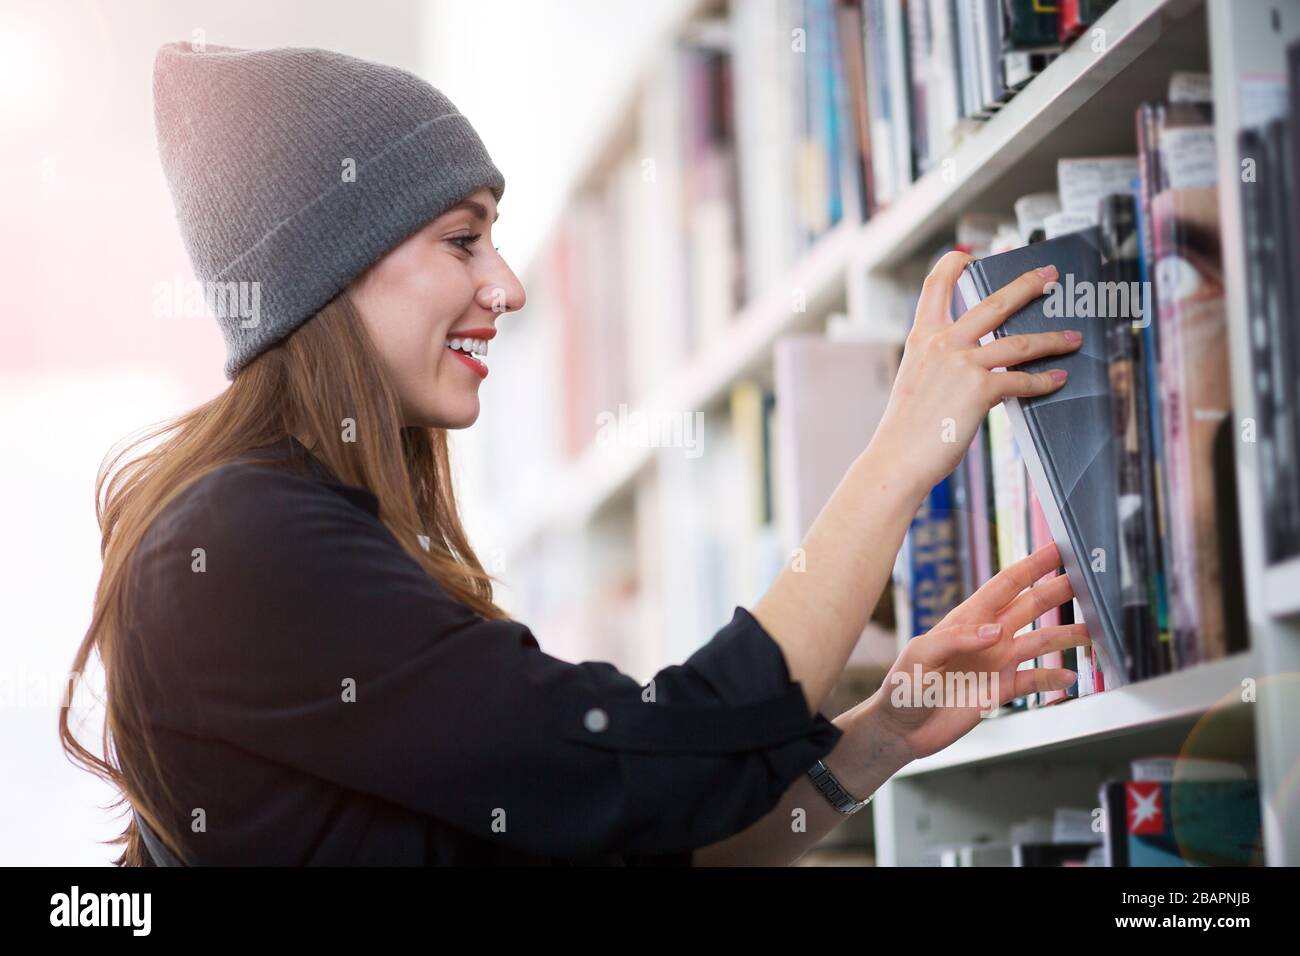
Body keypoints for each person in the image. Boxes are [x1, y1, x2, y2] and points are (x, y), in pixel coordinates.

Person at [60, 42, 1088, 866]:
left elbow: (629, 834)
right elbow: (646, 764)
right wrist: (903, 449)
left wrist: (879, 736)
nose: (506, 286)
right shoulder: (244, 541)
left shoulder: (287, 532)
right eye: (461, 240)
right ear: (330, 272)